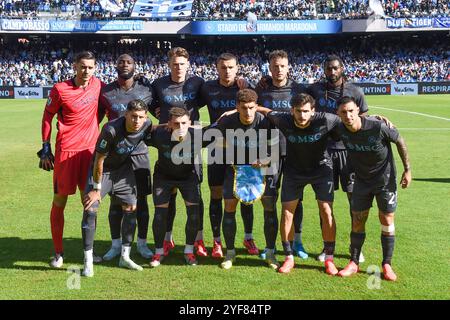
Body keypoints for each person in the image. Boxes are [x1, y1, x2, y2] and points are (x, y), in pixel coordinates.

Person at [257, 93, 340, 275]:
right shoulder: (282, 119)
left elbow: (352, 121)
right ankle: (288, 257)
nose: (302, 116)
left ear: (313, 111)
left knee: (326, 211)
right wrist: (230, 112)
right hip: (294, 170)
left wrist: (378, 119)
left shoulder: (327, 119)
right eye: (298, 111)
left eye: (306, 111)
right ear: (291, 111)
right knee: (287, 213)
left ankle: (329, 258)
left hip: (321, 168)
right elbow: (262, 110)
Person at [335, 96, 411, 281]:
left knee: (386, 219)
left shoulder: (378, 127)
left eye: (351, 111)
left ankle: (387, 264)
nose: (348, 115)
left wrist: (407, 170)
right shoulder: (339, 129)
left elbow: (400, 141)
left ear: (358, 111)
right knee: (358, 219)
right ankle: (353, 262)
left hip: (385, 180)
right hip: (361, 180)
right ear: (338, 114)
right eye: (343, 112)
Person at [39, 51, 103, 268]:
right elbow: (47, 115)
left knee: (90, 205)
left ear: (95, 68)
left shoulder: (98, 85)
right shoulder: (60, 89)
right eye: (83, 67)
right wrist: (46, 145)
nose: (86, 71)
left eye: (90, 67)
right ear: (75, 66)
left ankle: (88, 252)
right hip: (66, 153)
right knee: (60, 202)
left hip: (89, 154)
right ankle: (58, 253)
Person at [307, 54, 368, 263]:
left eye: (335, 68)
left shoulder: (355, 91)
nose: (331, 72)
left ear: (342, 68)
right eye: (328, 69)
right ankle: (327, 247)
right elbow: (296, 96)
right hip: (322, 153)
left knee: (355, 202)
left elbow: (364, 120)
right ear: (324, 70)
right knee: (325, 204)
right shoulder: (314, 90)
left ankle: (356, 248)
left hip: (349, 153)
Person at [81, 99, 153, 277]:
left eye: (141, 117)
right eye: (133, 116)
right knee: (91, 208)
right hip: (102, 171)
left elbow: (160, 130)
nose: (137, 121)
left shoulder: (147, 125)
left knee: (131, 207)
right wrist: (96, 189)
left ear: (146, 117)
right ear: (126, 115)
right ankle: (88, 261)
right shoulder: (111, 130)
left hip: (123, 171)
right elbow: (99, 160)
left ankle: (125, 257)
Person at [200, 52, 259, 259]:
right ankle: (217, 241)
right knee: (216, 195)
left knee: (246, 197)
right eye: (223, 67)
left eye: (231, 67)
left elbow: (257, 107)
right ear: (217, 68)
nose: (227, 71)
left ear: (237, 68)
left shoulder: (245, 86)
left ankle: (248, 236)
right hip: (217, 149)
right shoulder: (207, 88)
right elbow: (188, 106)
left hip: (243, 150)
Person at [213, 89, 279, 270]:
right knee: (229, 208)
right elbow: (215, 141)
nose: (248, 112)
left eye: (251, 108)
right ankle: (230, 253)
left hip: (264, 171)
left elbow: (277, 149)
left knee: (269, 208)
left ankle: (271, 252)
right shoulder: (227, 121)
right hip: (236, 171)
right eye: (243, 108)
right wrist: (229, 151)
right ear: (237, 107)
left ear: (256, 106)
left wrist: (264, 160)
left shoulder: (266, 122)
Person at [150, 47, 206, 257]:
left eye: (182, 63)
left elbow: (207, 100)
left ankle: (198, 238)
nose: (178, 67)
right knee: (168, 194)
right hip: (167, 140)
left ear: (188, 64)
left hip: (191, 143)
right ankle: (167, 238)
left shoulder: (197, 83)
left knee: (195, 192)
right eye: (174, 63)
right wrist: (156, 112)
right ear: (168, 64)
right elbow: (148, 103)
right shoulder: (159, 84)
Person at [99, 54, 154, 261]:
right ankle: (115, 245)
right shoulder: (106, 91)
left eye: (129, 62)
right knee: (116, 201)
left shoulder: (147, 90)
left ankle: (141, 243)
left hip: (139, 153)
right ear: (115, 65)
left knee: (142, 200)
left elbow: (159, 111)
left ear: (134, 66)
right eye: (121, 61)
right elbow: (95, 118)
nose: (124, 65)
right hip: (116, 155)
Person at [255, 50, 308, 260]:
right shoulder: (261, 90)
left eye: (282, 66)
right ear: (269, 67)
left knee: (296, 200)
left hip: (295, 151)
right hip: (270, 151)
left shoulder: (299, 90)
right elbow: (249, 108)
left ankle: (298, 242)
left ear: (288, 67)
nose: (279, 70)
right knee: (269, 199)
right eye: (275, 66)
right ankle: (270, 246)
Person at [146, 107, 204, 267]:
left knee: (193, 213)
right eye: (176, 124)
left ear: (190, 123)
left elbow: (222, 129)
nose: (181, 127)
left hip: (188, 177)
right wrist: (157, 126)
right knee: (160, 214)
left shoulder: (198, 136)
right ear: (169, 125)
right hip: (163, 177)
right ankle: (158, 252)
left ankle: (189, 251)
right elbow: (139, 129)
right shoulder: (159, 134)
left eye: (184, 123)